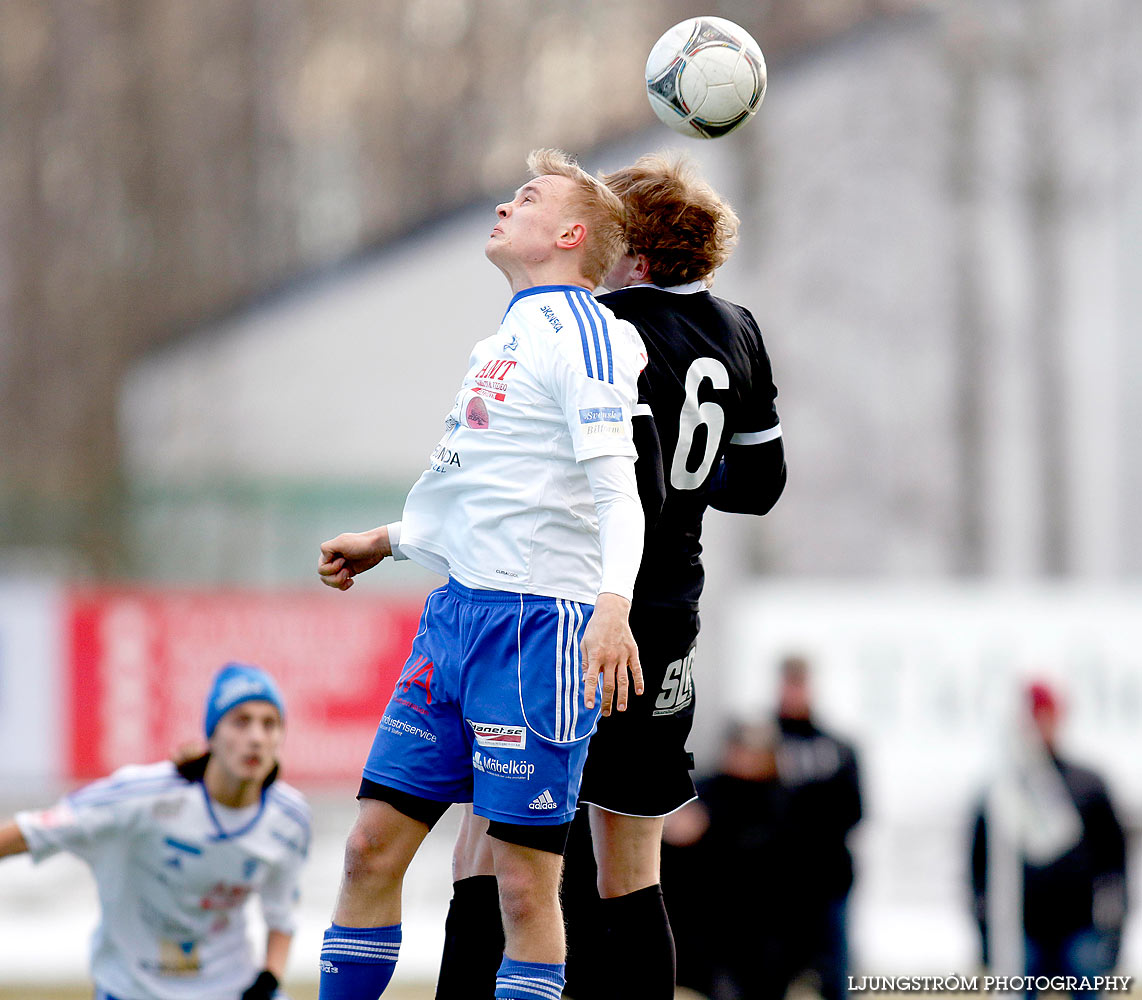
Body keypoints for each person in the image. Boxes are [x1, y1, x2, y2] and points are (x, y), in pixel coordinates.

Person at [435, 152, 787, 1000]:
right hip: (674, 616)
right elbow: (763, 485)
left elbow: (633, 483)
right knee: (632, 871)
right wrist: (695, 489)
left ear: (626, 244)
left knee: (496, 841)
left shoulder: (603, 328)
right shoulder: (738, 328)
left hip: (587, 609)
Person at [315, 148, 649, 1000]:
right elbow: (488, 486)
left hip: (539, 629)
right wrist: (389, 539)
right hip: (457, 616)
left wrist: (613, 607)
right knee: (366, 851)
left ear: (570, 234)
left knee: (524, 885)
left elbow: (619, 492)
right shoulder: (502, 337)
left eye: (527, 197)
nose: (506, 205)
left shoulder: (588, 332)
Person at [0, 661, 309, 1000]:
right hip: (133, 990)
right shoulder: (140, 797)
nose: (256, 738)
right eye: (241, 722)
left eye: (270, 724)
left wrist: (268, 980)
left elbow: (282, 913)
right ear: (212, 736)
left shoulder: (290, 818)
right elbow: (33, 831)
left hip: (231, 987)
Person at [970, 680, 1127, 996]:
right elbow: (979, 869)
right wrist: (987, 936)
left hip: (1080, 929)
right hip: (1021, 932)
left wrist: (1113, 934)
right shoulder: (1002, 790)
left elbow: (1114, 863)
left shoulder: (1088, 785)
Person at [769, 654, 862, 1000]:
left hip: (827, 882)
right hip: (776, 886)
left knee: (835, 977)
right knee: (771, 974)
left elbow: (854, 811)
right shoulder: (761, 743)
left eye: (800, 683)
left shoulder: (837, 748)